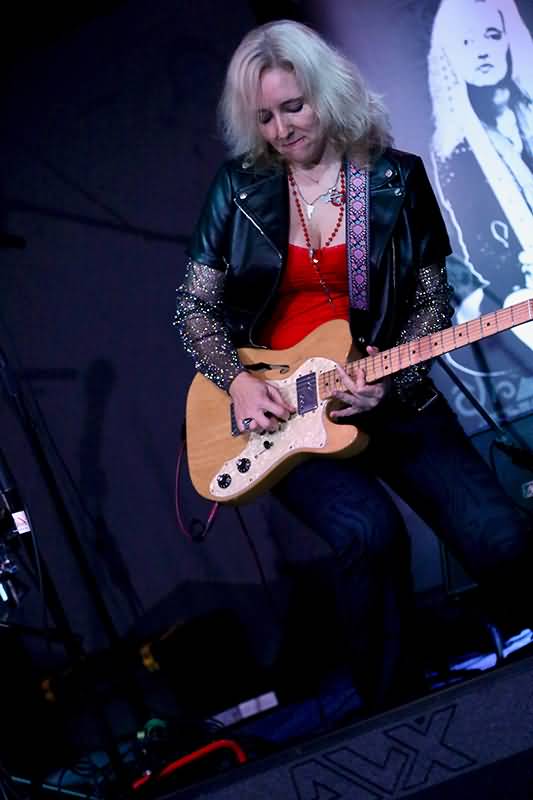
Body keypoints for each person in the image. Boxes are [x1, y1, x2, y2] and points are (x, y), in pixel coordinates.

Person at [175, 19, 532, 716]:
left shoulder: (394, 179)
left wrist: (390, 381)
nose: (281, 130)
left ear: (327, 92)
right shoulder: (237, 189)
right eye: (265, 117)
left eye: (294, 107)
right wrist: (239, 382)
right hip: (285, 412)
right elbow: (195, 307)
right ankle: (397, 722)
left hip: (389, 392)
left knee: (500, 538)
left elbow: (431, 298)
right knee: (367, 535)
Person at [428, 0, 533, 394]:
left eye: (492, 35)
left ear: (510, 40)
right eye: (466, 42)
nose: (482, 51)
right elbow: (480, 250)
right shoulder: (452, 147)